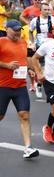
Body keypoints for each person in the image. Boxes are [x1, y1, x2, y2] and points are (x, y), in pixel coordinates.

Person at [0, 19, 39, 159]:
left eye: (19, 30)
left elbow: (25, 59)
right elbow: (8, 63)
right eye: (15, 30)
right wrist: (7, 65)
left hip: (20, 86)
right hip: (2, 86)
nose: (17, 32)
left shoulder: (23, 42)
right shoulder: (1, 41)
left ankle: (28, 147)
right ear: (7, 29)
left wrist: (30, 69)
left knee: (24, 115)